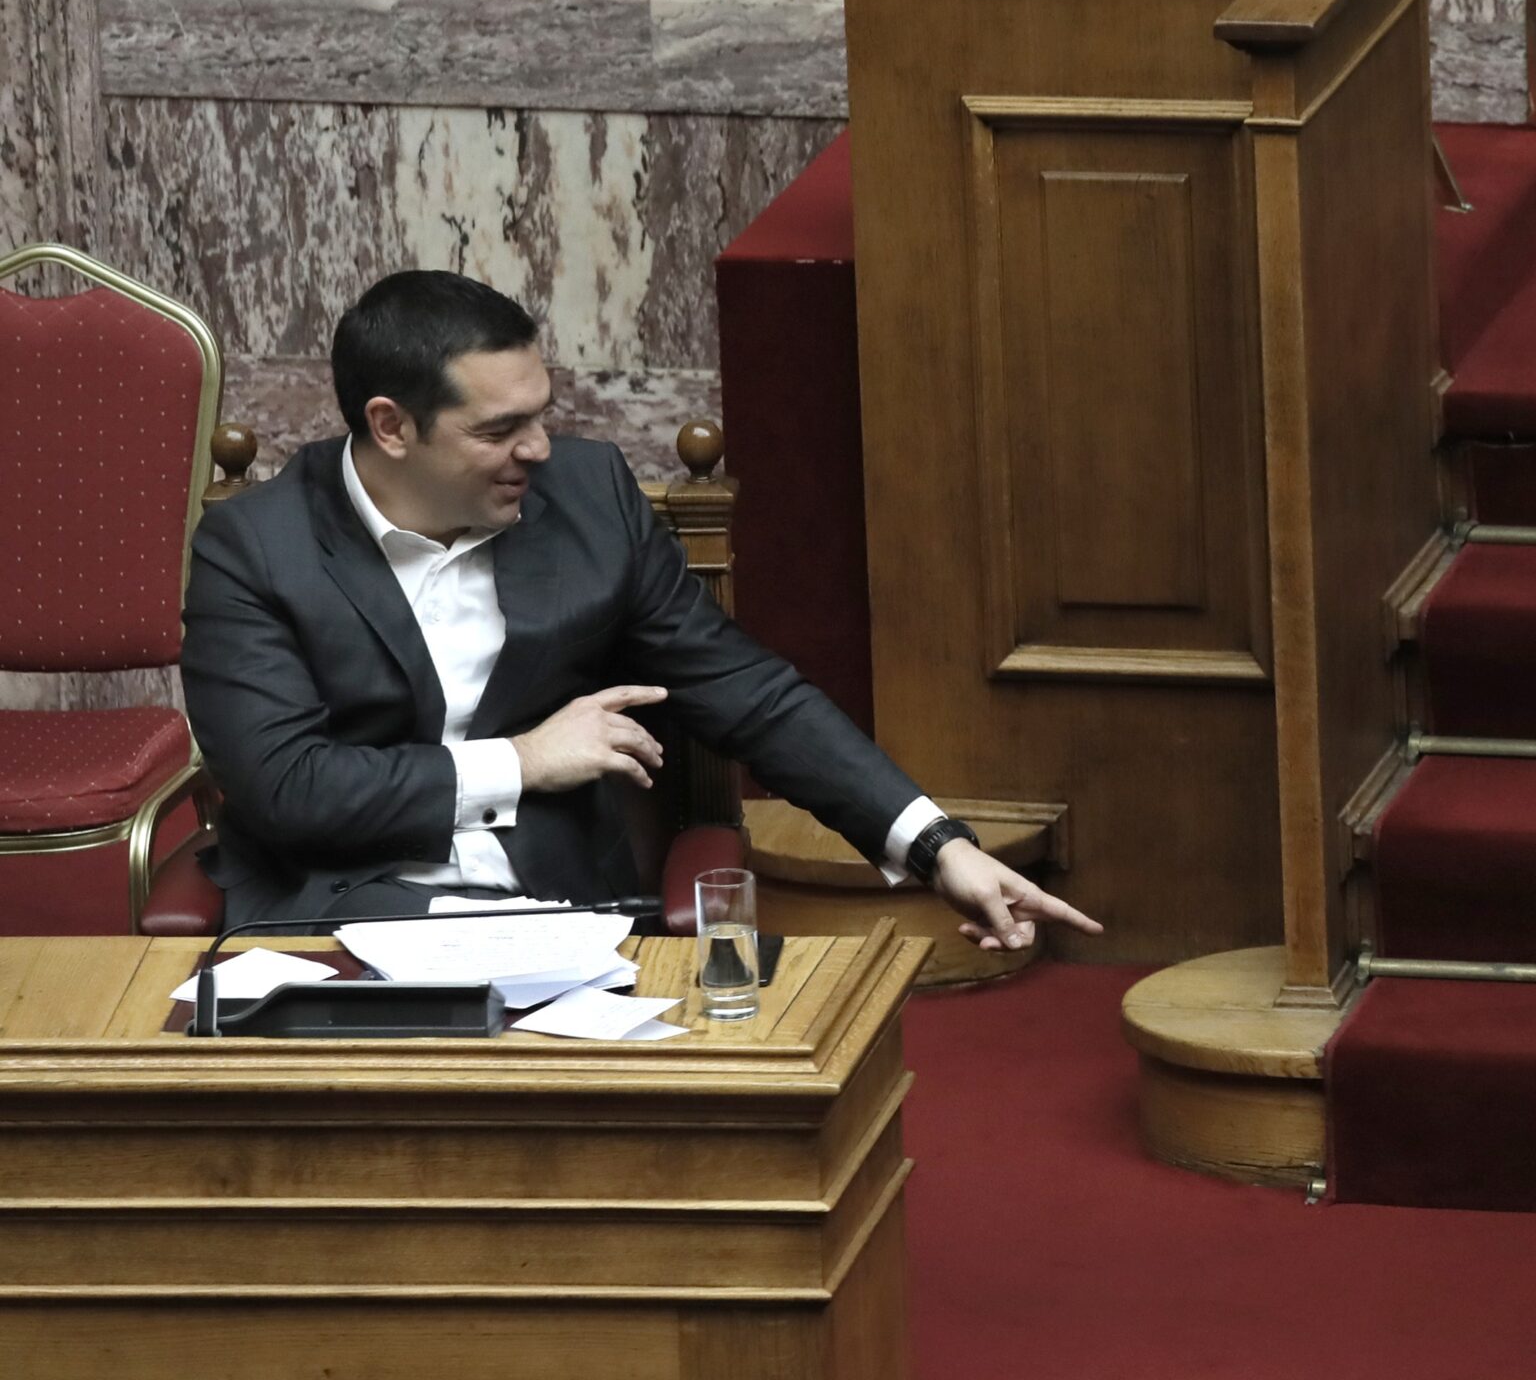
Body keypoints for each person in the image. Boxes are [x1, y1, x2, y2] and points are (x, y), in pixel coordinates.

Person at [181, 269, 1100, 947]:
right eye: (500, 430)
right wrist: (522, 762)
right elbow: (287, 788)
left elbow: (748, 693)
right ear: (391, 426)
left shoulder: (589, 501)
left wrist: (936, 844)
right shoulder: (255, 548)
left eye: (542, 413)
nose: (540, 450)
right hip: (336, 923)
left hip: (557, 920)